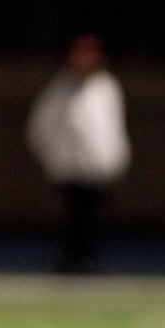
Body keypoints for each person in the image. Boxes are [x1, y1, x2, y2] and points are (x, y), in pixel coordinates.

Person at [25, 33, 130, 274]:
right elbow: (41, 126)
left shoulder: (106, 87)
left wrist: (114, 158)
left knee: (92, 216)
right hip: (68, 165)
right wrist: (49, 154)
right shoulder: (60, 88)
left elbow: (111, 127)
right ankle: (68, 259)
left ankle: (87, 259)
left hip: (97, 166)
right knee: (73, 215)